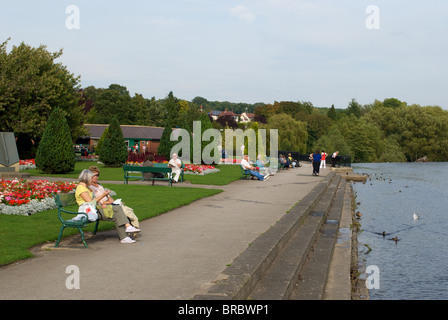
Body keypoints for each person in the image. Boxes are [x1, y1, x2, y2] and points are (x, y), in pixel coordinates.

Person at [75, 169, 140, 244]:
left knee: (117, 211)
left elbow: (94, 200)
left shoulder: (87, 187)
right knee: (117, 209)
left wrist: (102, 203)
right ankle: (127, 229)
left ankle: (124, 236)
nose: (93, 179)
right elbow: (90, 202)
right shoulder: (81, 188)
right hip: (89, 212)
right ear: (86, 178)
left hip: (94, 209)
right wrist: (103, 195)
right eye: (91, 178)